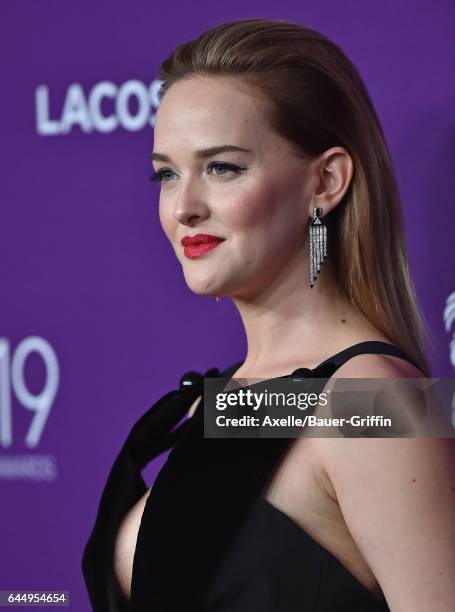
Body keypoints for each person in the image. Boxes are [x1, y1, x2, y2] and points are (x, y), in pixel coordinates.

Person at [82, 18, 455, 611]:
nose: (183, 207)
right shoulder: (230, 397)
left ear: (326, 181)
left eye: (222, 167)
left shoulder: (380, 404)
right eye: (167, 173)